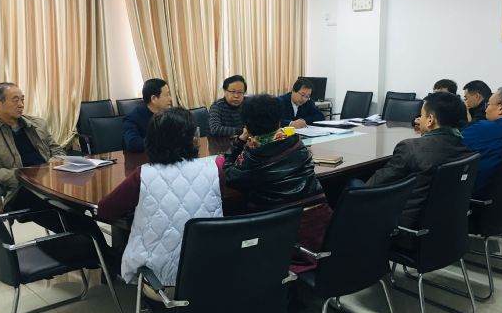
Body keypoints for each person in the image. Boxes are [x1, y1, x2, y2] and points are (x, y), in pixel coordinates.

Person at [98, 107, 223, 287]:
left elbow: (105, 210)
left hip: (156, 276)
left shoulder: (143, 175)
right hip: (207, 268)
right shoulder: (214, 168)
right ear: (193, 139)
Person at [221, 94, 333, 270]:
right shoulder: (297, 144)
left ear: (247, 126)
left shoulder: (253, 157)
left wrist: (239, 141)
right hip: (322, 231)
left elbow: (230, 175)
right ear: (278, 121)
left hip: (284, 238)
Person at [361, 92, 473, 230]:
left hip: (405, 227)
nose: (419, 119)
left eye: (422, 115)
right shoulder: (465, 149)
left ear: (430, 120)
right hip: (444, 227)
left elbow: (371, 186)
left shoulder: (410, 148)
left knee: (353, 184)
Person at [0, 82, 65, 212]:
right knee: (63, 207)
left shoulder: (37, 124)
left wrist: (49, 170)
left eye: (22, 99)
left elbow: (58, 151)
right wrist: (25, 177)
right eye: (15, 100)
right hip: (17, 189)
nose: (21, 105)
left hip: (50, 180)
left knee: (77, 191)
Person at [123, 78, 172, 152]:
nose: (170, 98)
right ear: (154, 98)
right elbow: (133, 143)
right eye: (167, 95)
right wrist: (165, 142)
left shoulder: (170, 114)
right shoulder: (133, 118)